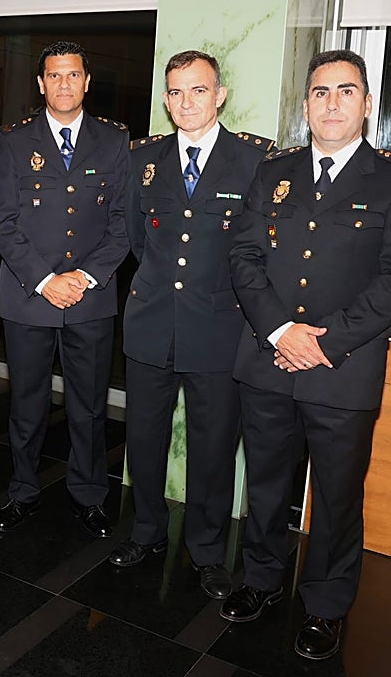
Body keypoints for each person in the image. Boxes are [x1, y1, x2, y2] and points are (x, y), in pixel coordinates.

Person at [223, 49, 391, 660]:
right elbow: (244, 256)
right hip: (268, 359)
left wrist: (322, 342)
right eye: (320, 92)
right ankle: (261, 578)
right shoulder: (273, 172)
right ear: (306, 103)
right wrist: (279, 331)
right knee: (265, 483)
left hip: (344, 368)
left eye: (346, 91)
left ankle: (326, 605)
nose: (332, 103)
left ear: (367, 104)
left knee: (337, 496)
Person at [113, 50, 272, 599]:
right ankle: (146, 530)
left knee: (213, 447)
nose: (186, 102)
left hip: (219, 328)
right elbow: (138, 239)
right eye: (176, 92)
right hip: (151, 324)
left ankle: (206, 549)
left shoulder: (253, 160)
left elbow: (258, 247)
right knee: (144, 438)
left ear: (220, 95)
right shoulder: (143, 158)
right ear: (165, 99)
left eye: (199, 90)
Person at [0, 41, 130, 539]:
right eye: (54, 75)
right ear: (40, 83)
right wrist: (46, 280)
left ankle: (89, 495)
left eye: (72, 75)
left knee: (88, 408)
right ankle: (22, 491)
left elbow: (123, 223)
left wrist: (84, 277)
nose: (63, 84)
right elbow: (3, 222)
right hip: (28, 297)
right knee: (26, 404)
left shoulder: (115, 140)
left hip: (90, 299)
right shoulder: (12, 141)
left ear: (87, 81)